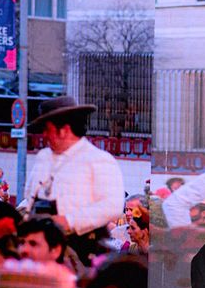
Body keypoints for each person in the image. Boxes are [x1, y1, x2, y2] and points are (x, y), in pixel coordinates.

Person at [19, 96, 126, 258]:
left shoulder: (99, 159)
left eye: (47, 129)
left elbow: (113, 206)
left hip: (80, 245)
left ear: (64, 130)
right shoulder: (42, 157)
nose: (44, 135)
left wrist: (69, 220)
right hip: (38, 245)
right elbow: (30, 196)